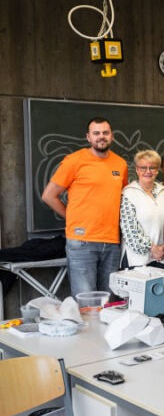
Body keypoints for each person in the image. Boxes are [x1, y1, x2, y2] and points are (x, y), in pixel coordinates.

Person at [41, 117, 128, 294]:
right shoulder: (74, 160)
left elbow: (124, 199)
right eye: (96, 133)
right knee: (86, 301)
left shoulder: (121, 164)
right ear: (88, 137)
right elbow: (49, 196)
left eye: (105, 133)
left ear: (112, 136)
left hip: (112, 241)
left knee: (109, 300)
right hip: (82, 241)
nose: (101, 137)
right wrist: (72, 218)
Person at [120, 150, 164, 269]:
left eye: (152, 167)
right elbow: (129, 230)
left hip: (163, 257)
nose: (148, 171)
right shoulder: (128, 193)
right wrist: (152, 248)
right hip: (137, 260)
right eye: (143, 168)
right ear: (137, 170)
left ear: (157, 170)